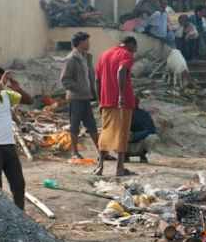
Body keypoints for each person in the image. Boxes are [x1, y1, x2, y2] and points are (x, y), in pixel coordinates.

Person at [0, 66, 34, 210]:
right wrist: (2, 84)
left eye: (4, 79)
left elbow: (29, 100)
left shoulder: (7, 95)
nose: (2, 82)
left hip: (9, 144)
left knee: (18, 184)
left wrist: (18, 88)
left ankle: (19, 215)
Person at [94, 36, 138, 177]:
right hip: (122, 101)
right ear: (131, 45)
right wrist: (121, 95)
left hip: (106, 99)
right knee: (122, 132)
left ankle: (100, 166)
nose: (134, 52)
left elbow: (97, 79)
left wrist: (100, 99)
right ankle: (119, 167)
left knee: (106, 131)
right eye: (134, 49)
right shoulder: (126, 54)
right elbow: (121, 71)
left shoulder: (104, 54)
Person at [60, 31, 100, 160]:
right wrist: (79, 89)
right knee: (75, 125)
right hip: (76, 98)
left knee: (92, 125)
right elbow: (65, 80)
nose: (89, 44)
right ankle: (75, 153)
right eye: (87, 41)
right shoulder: (71, 59)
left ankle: (101, 152)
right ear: (81, 42)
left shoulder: (86, 58)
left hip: (86, 97)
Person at [125, 98, 158, 164]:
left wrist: (134, 136)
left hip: (140, 144)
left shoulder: (144, 114)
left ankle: (142, 155)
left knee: (152, 137)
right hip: (125, 145)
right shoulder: (121, 113)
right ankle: (124, 155)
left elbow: (151, 129)